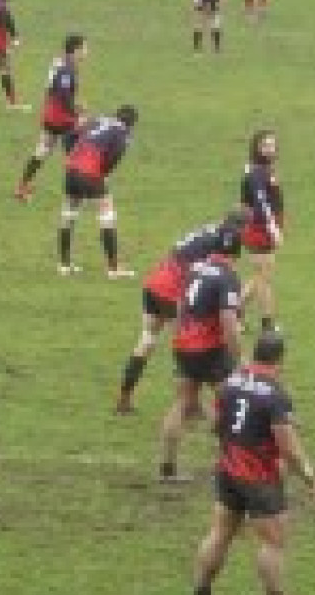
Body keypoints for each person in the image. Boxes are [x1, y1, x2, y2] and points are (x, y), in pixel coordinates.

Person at [189, 331, 315, 595]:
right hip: (259, 475)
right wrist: (308, 475)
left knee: (219, 533)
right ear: (280, 360)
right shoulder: (275, 393)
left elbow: (217, 423)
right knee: (273, 541)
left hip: (228, 469)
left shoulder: (229, 383)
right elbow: (288, 447)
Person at [115, 212, 246, 415]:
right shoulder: (222, 241)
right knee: (195, 342)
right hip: (173, 290)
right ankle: (193, 403)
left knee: (147, 341)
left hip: (155, 282)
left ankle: (124, 398)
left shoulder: (209, 229)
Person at [157, 238, 243, 481]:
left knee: (182, 403)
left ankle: (167, 468)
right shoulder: (227, 276)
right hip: (211, 349)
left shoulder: (195, 268)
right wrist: (240, 358)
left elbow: (179, 304)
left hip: (184, 344)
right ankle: (233, 463)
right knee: (232, 403)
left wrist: (179, 337)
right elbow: (229, 323)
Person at [58, 106, 139, 278]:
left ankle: (64, 265)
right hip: (90, 172)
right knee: (107, 215)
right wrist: (103, 174)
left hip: (71, 170)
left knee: (68, 215)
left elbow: (69, 136)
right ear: (131, 124)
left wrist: (71, 157)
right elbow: (114, 156)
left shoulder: (98, 120)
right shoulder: (123, 133)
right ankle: (113, 268)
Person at [15, 33, 87, 202]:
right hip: (63, 119)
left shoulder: (62, 63)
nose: (86, 52)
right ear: (75, 50)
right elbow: (63, 95)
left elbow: (56, 90)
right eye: (84, 48)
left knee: (42, 151)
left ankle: (22, 186)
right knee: (77, 155)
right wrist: (77, 113)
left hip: (51, 115)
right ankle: (77, 194)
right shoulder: (67, 69)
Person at [239, 128, 284, 333]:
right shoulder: (257, 171)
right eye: (266, 145)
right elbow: (261, 201)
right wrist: (272, 227)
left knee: (260, 276)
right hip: (259, 229)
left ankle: (234, 309)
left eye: (273, 145)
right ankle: (268, 325)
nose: (270, 149)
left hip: (264, 226)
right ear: (256, 147)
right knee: (264, 279)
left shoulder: (265, 168)